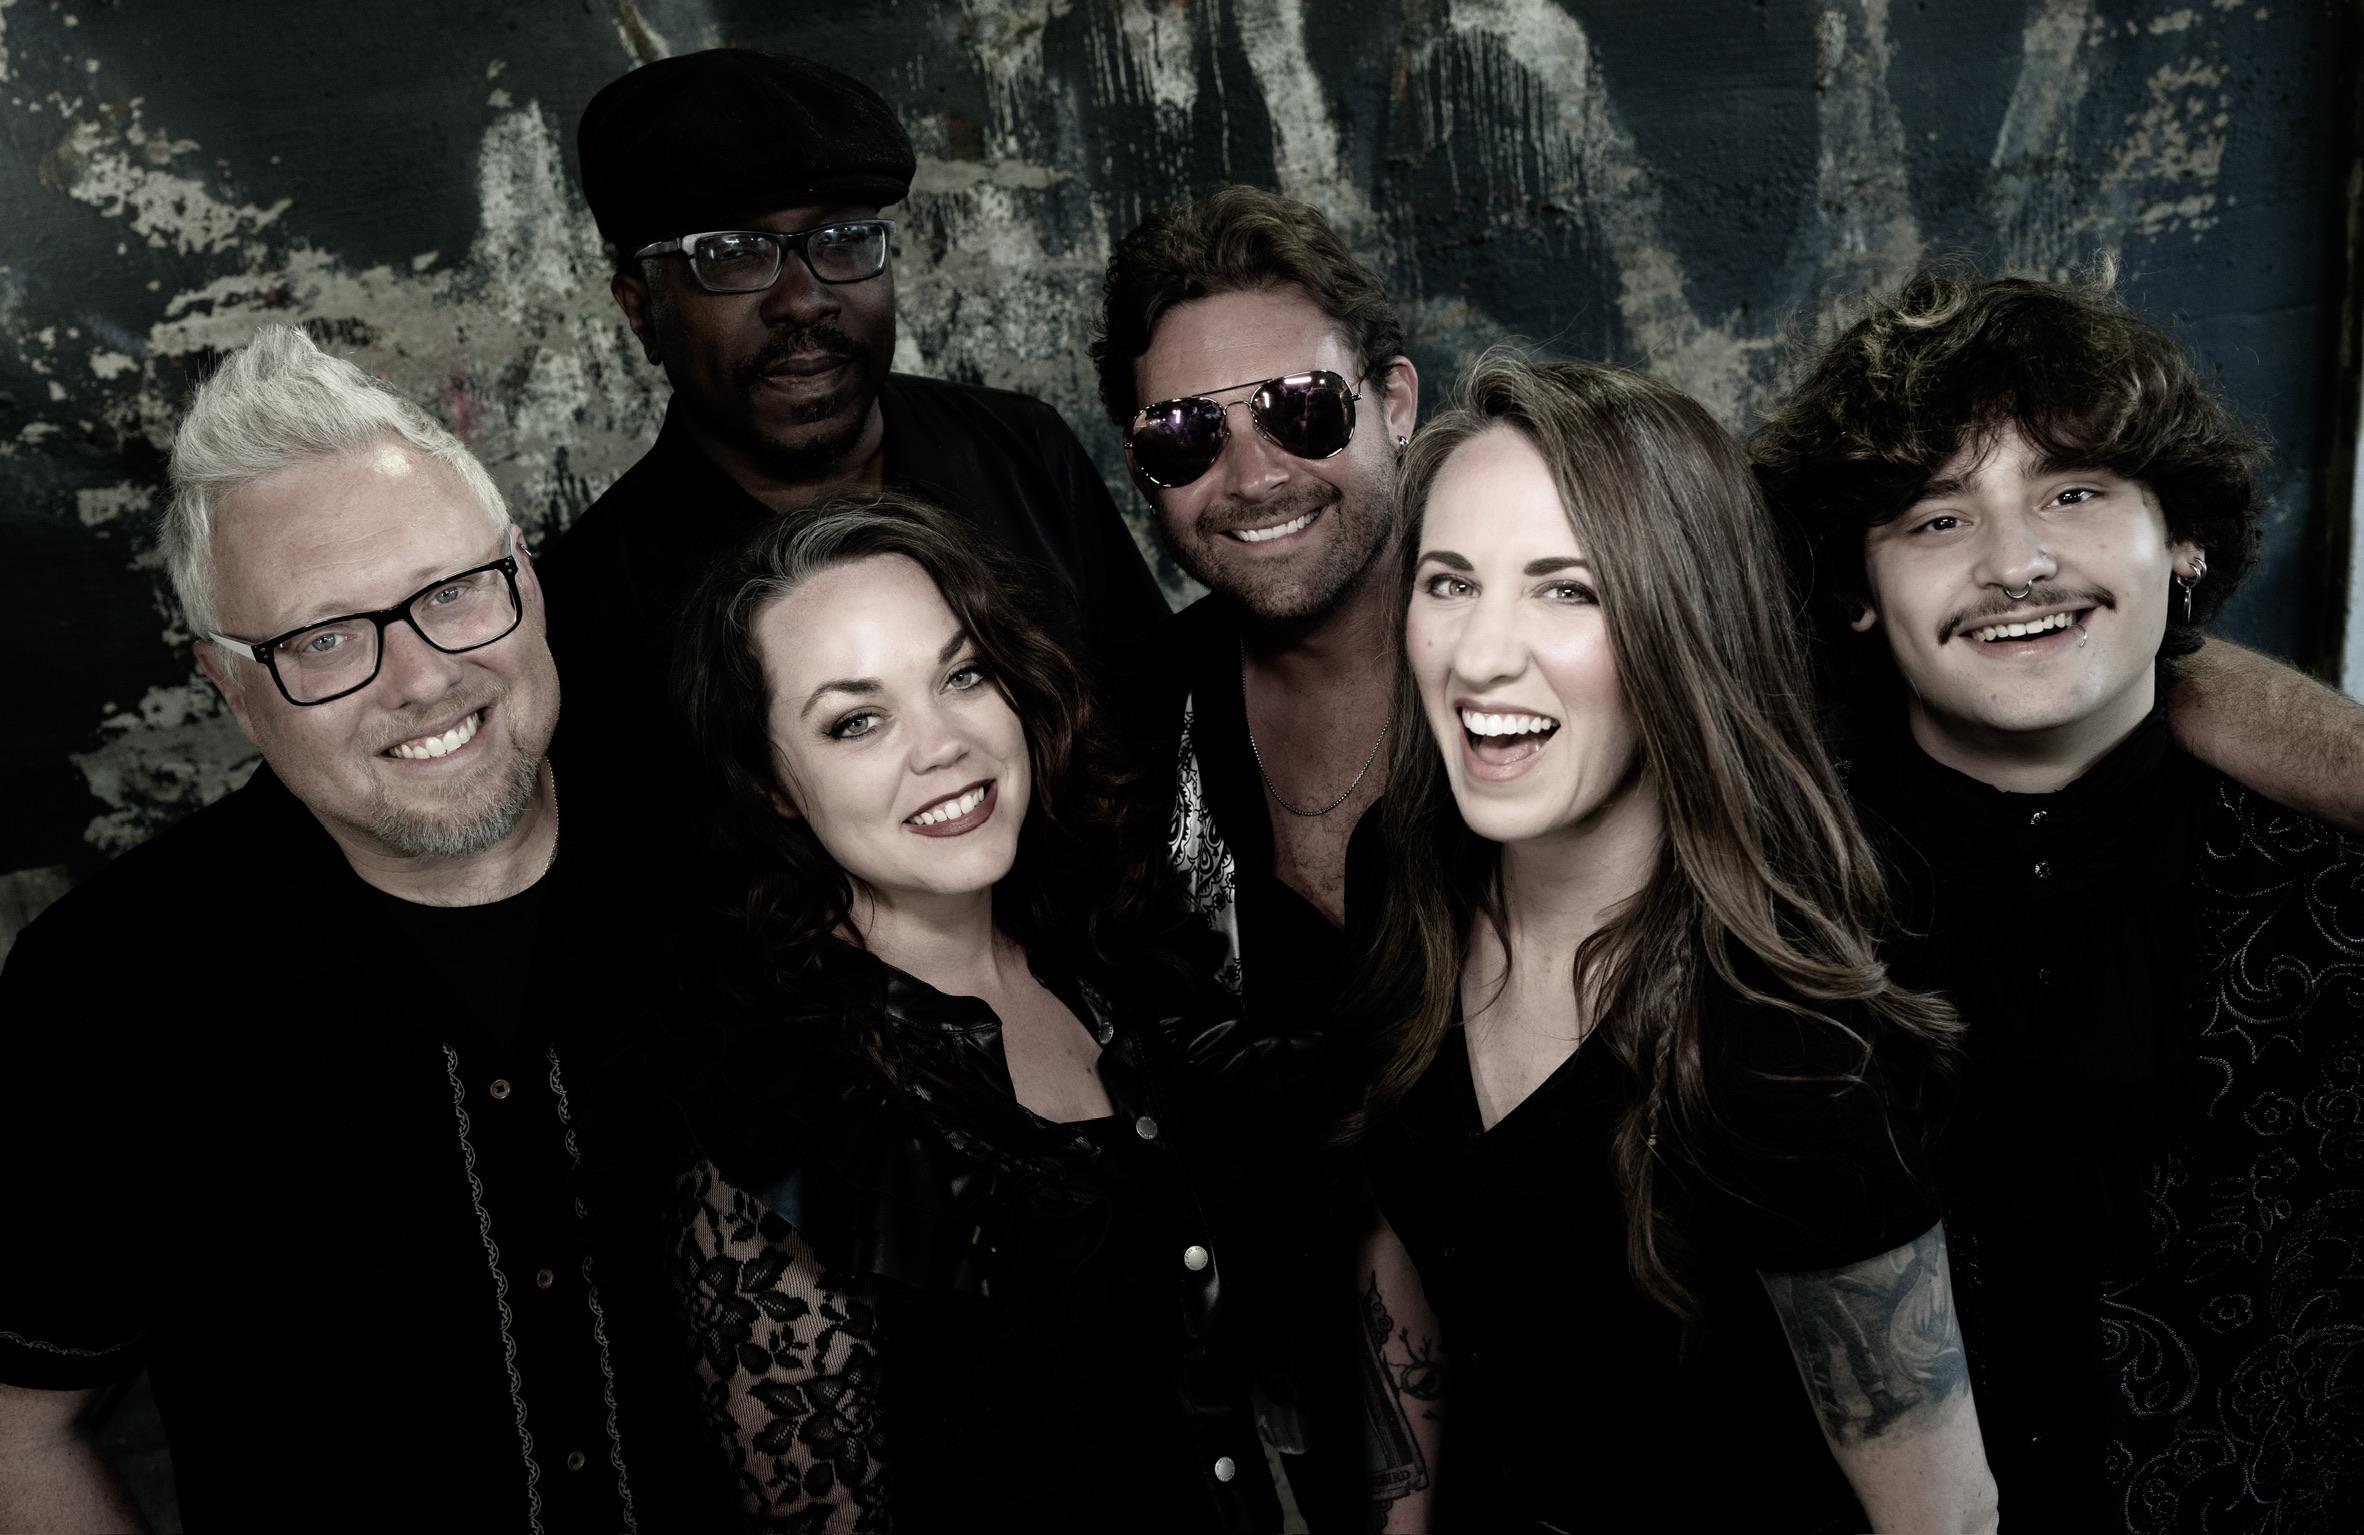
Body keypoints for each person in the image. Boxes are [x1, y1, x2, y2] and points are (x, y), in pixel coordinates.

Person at [0, 325, 712, 1530]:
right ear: (228, 684)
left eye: (453, 590)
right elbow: (20, 1425)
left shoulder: (733, 851)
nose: (422, 677)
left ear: (526, 576)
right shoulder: (106, 986)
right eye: (324, 638)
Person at [1750, 268, 2364, 1532]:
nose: (2016, 564)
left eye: (2074, 492)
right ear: (1857, 589)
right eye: (1936, 517)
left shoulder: (2339, 895)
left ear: (2183, 537)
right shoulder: (1764, 902)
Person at [1349, 353, 2000, 1533]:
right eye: (1450, 582)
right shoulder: (1401, 871)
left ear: (1684, 625)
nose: (1480, 655)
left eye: (1567, 589)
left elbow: (1943, 1515)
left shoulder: (1785, 1042)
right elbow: (1411, 1232)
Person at [660, 491, 1281, 1534]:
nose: (943, 744)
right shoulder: (784, 1135)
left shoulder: (1121, 964)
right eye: (856, 720)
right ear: (769, 784)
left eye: (962, 674)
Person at [546, 46, 1167, 835]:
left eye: (841, 239)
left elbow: (1161, 734)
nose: (803, 300)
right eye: (733, 255)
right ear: (641, 310)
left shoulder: (1020, 451)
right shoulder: (586, 611)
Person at [1091, 185, 1420, 1526]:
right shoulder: (1124, 733)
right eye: (1185, 435)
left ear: (1395, 401)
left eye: (1302, 408)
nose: (1253, 476)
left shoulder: (1544, 679)